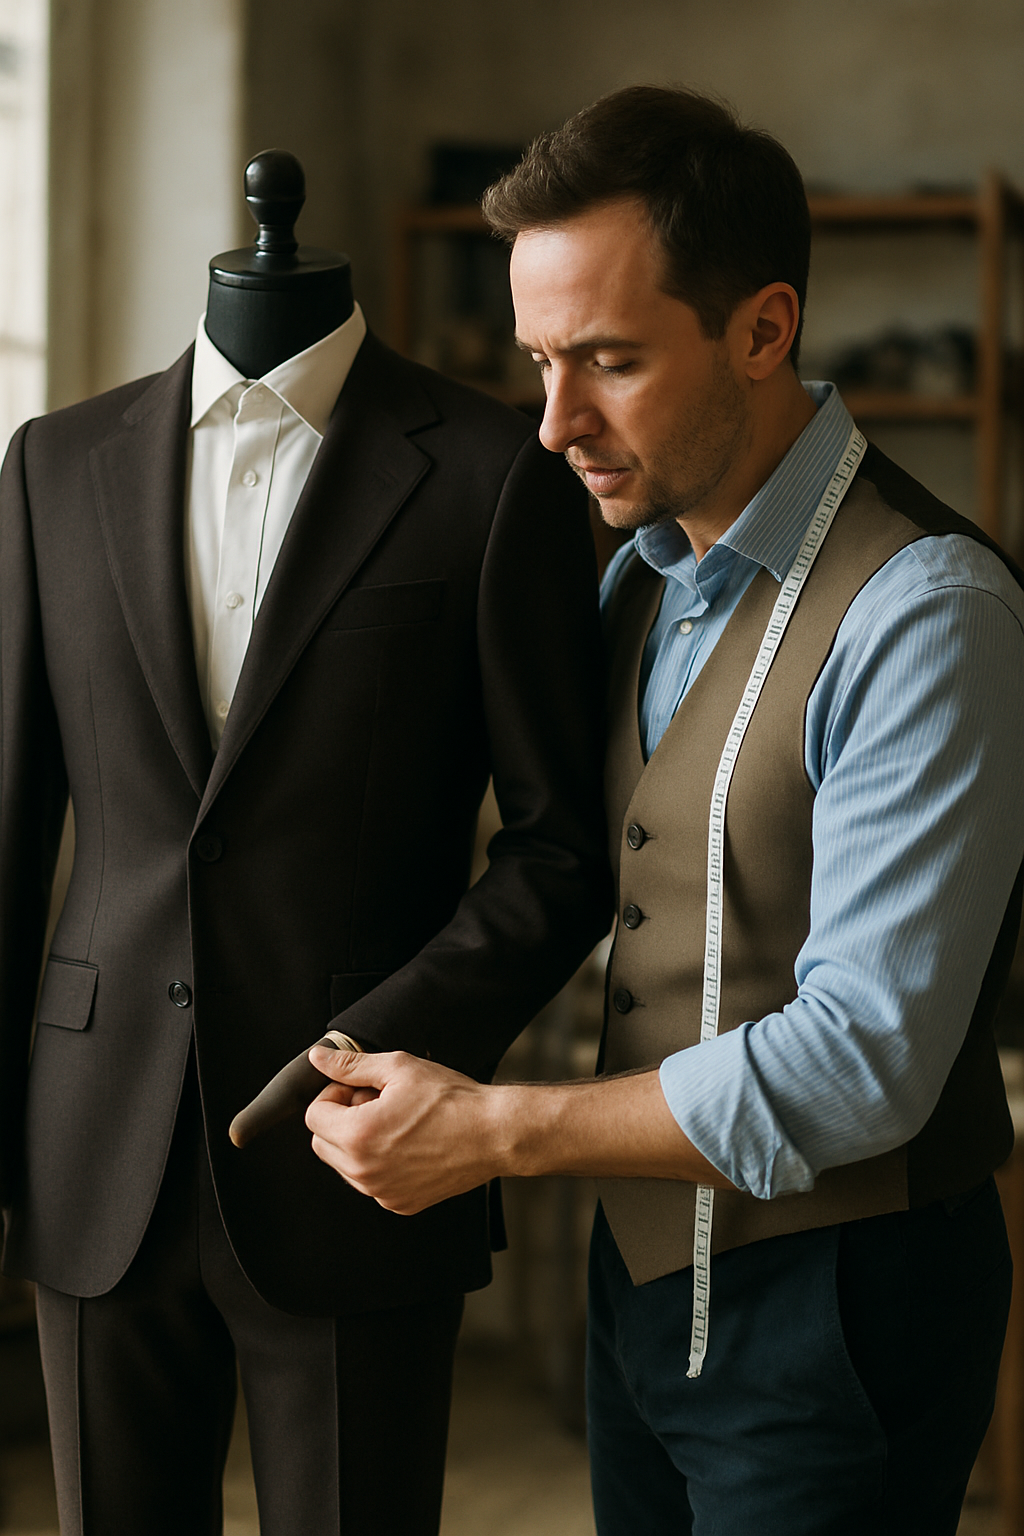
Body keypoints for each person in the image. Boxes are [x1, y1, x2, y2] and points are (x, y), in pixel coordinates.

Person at [305, 86, 1024, 1535]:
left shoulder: (928, 612)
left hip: (843, 1304)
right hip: (643, 1295)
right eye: (538, 361)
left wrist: (502, 1130)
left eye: (611, 362)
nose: (554, 422)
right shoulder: (637, 576)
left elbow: (864, 1060)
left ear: (764, 330)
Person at [0, 187, 611, 1531]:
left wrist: (385, 1046)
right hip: (96, 1142)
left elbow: (562, 850)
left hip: (364, 1155)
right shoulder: (56, 465)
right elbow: (10, 823)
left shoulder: (493, 471)